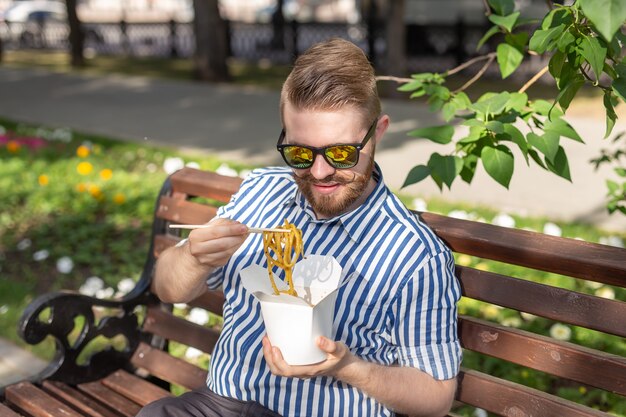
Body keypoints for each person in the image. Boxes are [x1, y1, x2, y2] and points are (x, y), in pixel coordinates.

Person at [137, 38, 461, 417]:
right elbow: (166, 286)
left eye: (341, 153)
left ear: (378, 133)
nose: (319, 172)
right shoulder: (261, 190)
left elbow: (437, 396)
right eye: (300, 153)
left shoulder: (414, 255)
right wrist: (193, 257)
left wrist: (348, 367)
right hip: (220, 406)